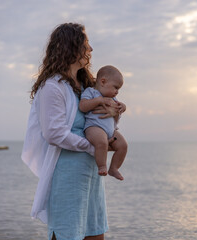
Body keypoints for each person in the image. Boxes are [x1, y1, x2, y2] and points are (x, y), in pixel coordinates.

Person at [21, 23, 119, 240]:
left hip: (91, 175)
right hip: (67, 176)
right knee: (68, 234)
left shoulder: (86, 86)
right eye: (86, 44)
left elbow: (97, 118)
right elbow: (54, 133)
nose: (91, 49)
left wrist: (115, 114)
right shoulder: (52, 87)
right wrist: (92, 147)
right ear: (72, 46)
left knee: (95, 233)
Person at [79, 65, 128, 180]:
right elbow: (82, 106)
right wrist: (99, 100)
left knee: (123, 145)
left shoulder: (112, 98)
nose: (117, 92)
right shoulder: (91, 92)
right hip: (94, 127)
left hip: (111, 130)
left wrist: (123, 107)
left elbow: (117, 110)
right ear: (103, 81)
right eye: (115, 87)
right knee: (102, 142)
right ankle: (102, 166)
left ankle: (114, 168)